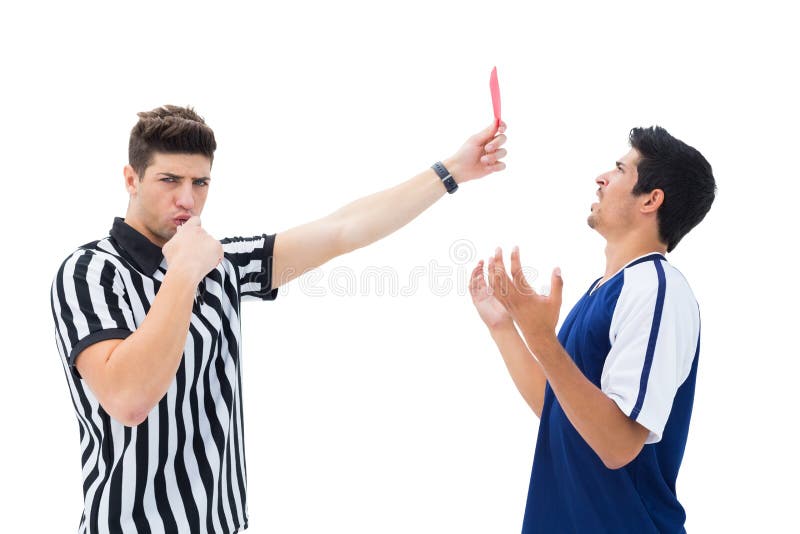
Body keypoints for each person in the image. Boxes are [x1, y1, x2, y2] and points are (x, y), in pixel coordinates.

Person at [51, 104, 507, 534]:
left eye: (201, 182)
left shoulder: (220, 263)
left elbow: (342, 229)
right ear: (131, 179)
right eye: (169, 180)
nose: (187, 199)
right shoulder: (91, 271)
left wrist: (452, 172)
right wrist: (185, 271)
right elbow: (129, 399)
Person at [469, 126, 715, 533]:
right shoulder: (609, 289)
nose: (602, 177)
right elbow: (560, 412)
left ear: (652, 200)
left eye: (620, 170)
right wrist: (505, 328)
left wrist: (542, 337)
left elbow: (618, 445)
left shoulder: (657, 288)